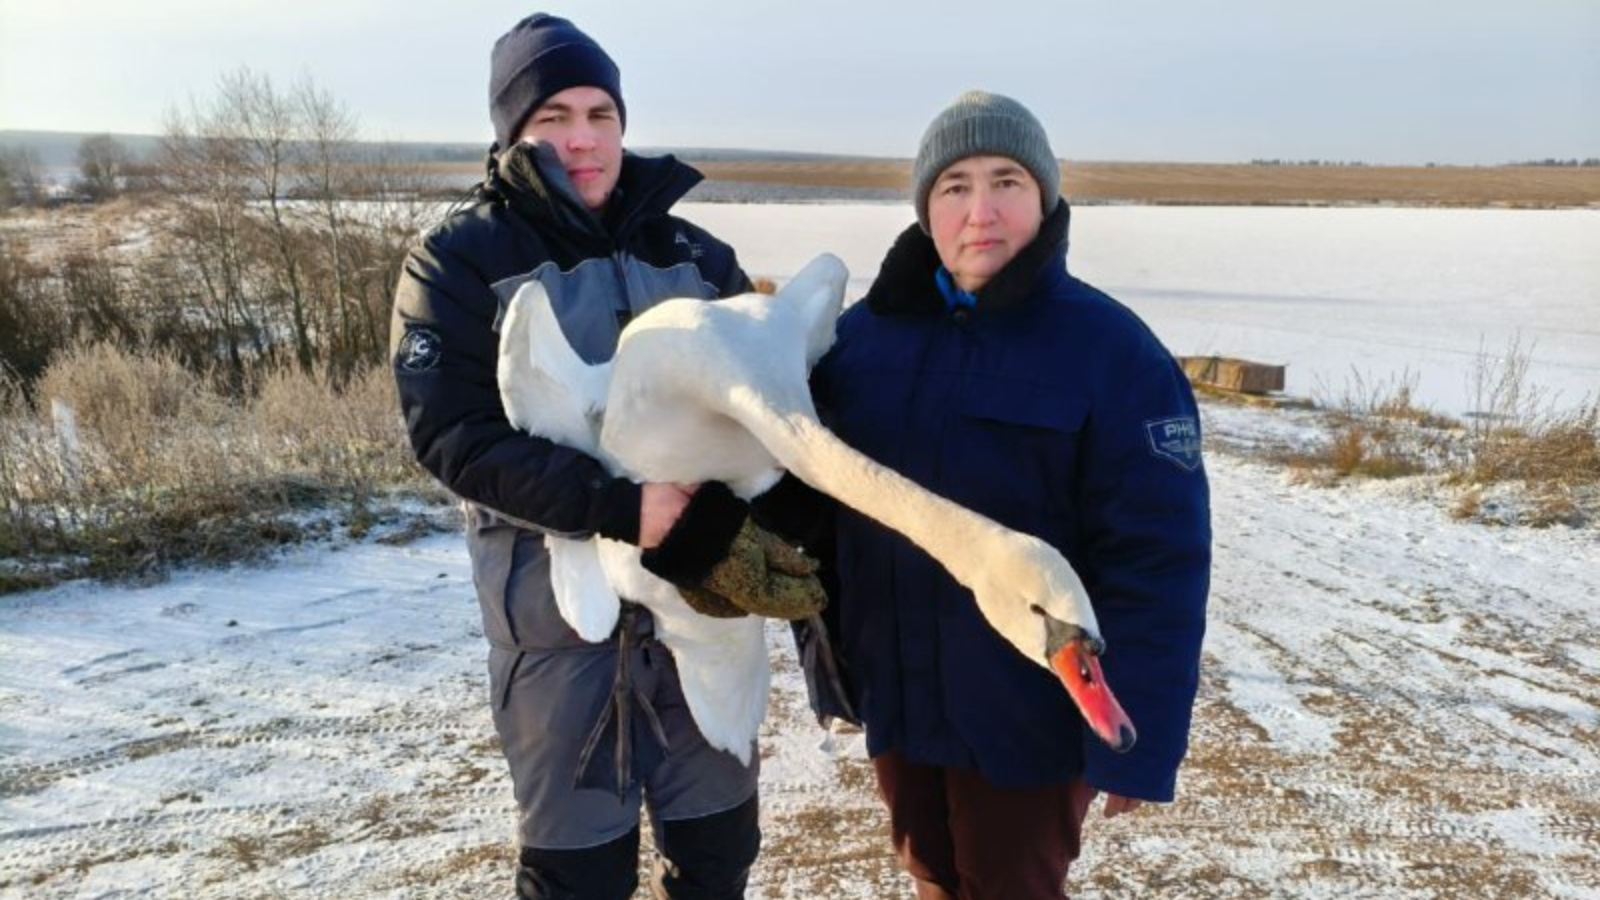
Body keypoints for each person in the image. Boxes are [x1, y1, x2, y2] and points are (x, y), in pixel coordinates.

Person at [391, 14, 771, 900]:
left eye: (601, 114)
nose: (583, 138)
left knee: (719, 855)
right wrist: (621, 508)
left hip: (702, 612)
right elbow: (452, 435)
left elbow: (761, 411)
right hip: (559, 633)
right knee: (579, 876)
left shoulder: (696, 256)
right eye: (553, 116)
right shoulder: (456, 260)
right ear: (512, 131)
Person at [802, 90, 1212, 899]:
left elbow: (1158, 557)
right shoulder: (861, 342)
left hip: (1030, 713)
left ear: (1045, 197)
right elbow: (815, 502)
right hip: (900, 697)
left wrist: (1140, 737)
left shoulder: (1112, 353)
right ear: (926, 207)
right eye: (955, 186)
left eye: (1007, 183)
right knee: (932, 876)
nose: (980, 212)